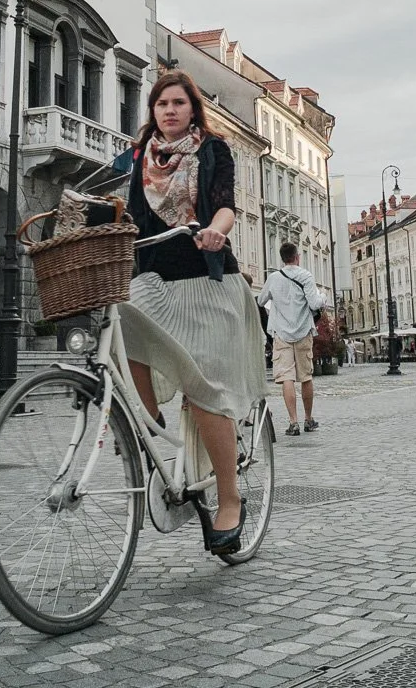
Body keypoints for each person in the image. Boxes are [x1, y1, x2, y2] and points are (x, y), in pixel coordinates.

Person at [121, 71, 265, 554]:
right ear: (153, 111)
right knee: (124, 323)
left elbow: (224, 206)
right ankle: (152, 428)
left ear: (192, 109)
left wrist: (216, 231)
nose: (169, 111)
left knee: (205, 392)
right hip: (154, 278)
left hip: (205, 279)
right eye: (161, 104)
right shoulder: (140, 156)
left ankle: (229, 498)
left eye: (178, 103)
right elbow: (129, 215)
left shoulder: (211, 150)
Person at [258, 242, 326, 437]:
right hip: (303, 330)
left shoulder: (273, 278)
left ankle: (293, 422)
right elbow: (314, 302)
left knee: (287, 377)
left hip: (281, 333)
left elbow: (261, 301)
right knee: (306, 376)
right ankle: (308, 419)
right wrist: (324, 297)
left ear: (282, 258)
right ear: (297, 257)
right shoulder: (305, 275)